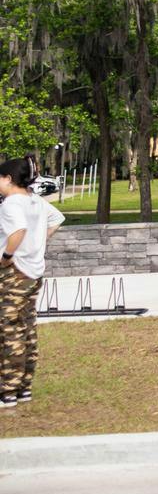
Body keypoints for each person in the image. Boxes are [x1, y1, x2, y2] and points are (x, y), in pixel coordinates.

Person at [0, 156, 63, 408]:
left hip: (14, 273)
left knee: (8, 331)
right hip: (33, 273)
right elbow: (56, 220)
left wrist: (7, 256)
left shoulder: (11, 204)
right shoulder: (35, 200)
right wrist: (37, 245)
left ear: (8, 179)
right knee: (26, 328)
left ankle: (7, 391)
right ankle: (24, 387)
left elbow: (17, 232)